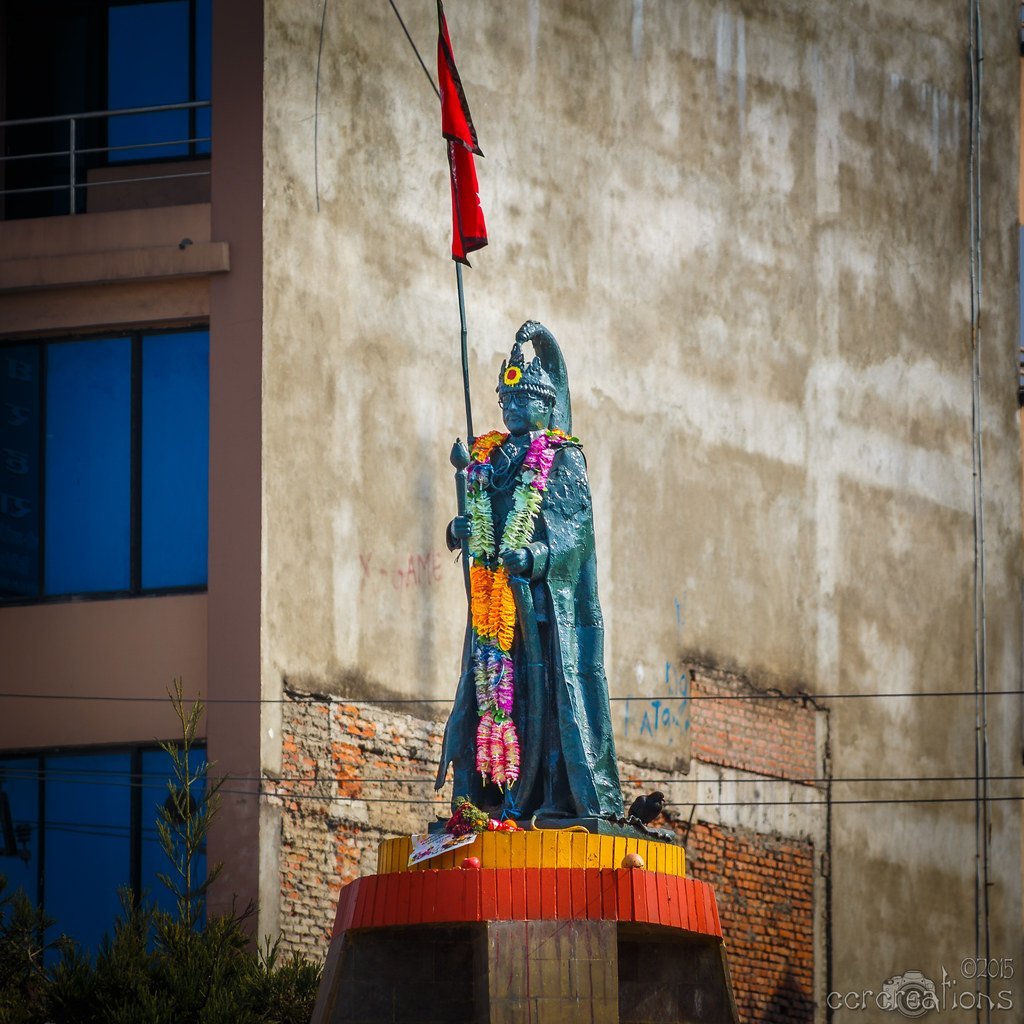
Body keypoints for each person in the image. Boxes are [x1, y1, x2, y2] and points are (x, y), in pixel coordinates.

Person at [434, 320, 623, 821]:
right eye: (507, 401)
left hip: (543, 610)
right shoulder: (488, 459)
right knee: (495, 698)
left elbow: (574, 531)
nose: (513, 409)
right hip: (495, 606)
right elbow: (481, 523)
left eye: (524, 401)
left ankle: (545, 796)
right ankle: (496, 796)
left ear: (546, 404)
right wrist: (460, 527)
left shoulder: (562, 457)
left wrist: (536, 556)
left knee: (545, 704)